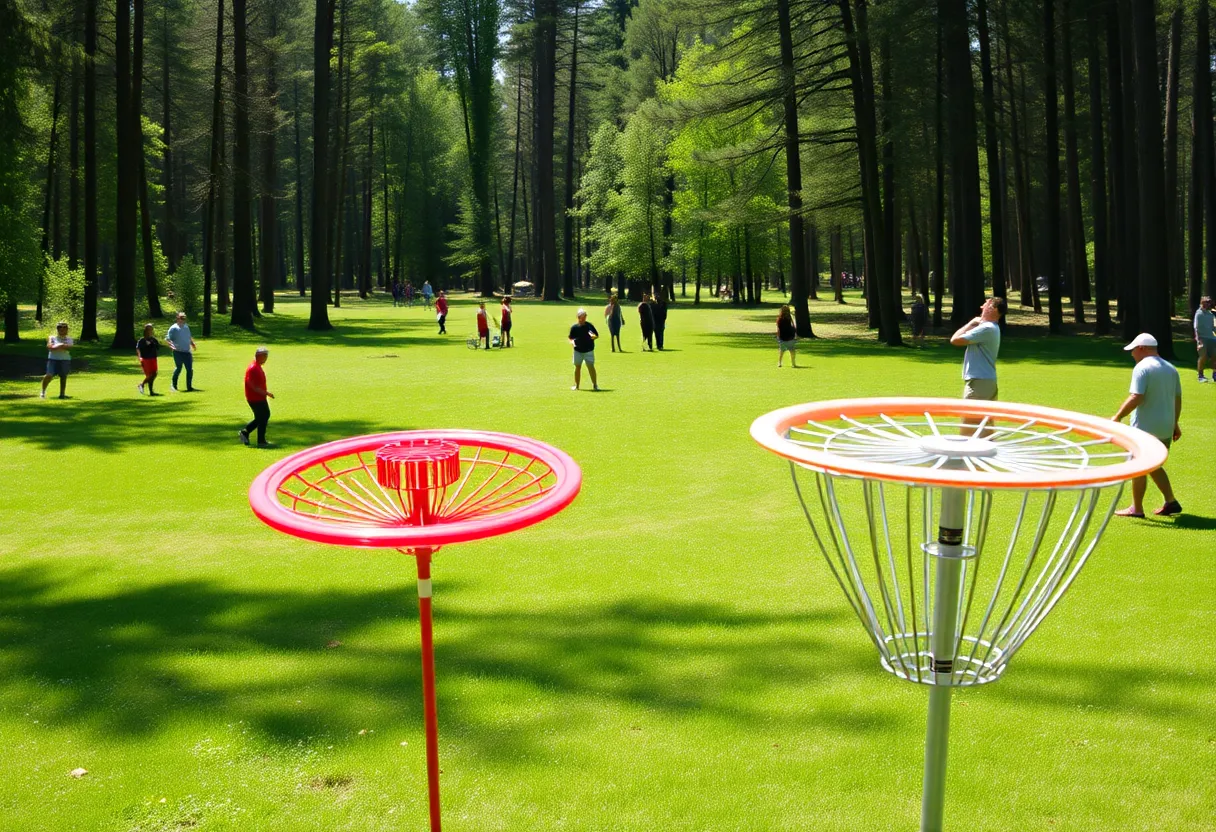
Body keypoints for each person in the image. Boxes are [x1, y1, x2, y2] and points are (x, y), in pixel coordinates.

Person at [1113, 333, 1182, 517]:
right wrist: (1174, 423)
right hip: (1165, 426)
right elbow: (1177, 399)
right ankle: (1171, 501)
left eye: (1133, 350)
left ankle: (1137, 508)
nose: (1132, 354)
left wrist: (1117, 416)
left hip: (1144, 427)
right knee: (1154, 465)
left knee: (1139, 465)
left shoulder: (1142, 367)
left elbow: (1136, 396)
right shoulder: (1171, 369)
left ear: (1142, 348)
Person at [950, 296, 1005, 401]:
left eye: (985, 305)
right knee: (985, 413)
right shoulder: (992, 327)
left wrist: (971, 323)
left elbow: (955, 340)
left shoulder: (986, 328)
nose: (981, 307)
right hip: (986, 381)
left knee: (969, 412)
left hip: (979, 383)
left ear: (992, 308)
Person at [239, 347, 275, 447]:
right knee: (263, 416)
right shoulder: (253, 368)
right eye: (265, 356)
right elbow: (252, 386)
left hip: (259, 397)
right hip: (255, 398)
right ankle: (258, 439)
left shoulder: (257, 366)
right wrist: (266, 393)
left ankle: (251, 435)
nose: (266, 358)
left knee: (263, 416)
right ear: (259, 356)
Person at [40, 321, 73, 399]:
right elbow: (50, 347)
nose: (62, 329)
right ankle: (43, 392)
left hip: (65, 359)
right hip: (53, 359)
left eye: (64, 328)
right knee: (49, 375)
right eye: (60, 328)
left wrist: (57, 346)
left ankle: (62, 394)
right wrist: (61, 345)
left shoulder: (69, 339)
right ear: (57, 329)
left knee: (63, 376)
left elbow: (68, 347)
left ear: (67, 329)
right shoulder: (52, 337)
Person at [569, 308, 600, 391]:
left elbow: (595, 336)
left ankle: (595, 385)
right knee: (577, 367)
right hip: (578, 350)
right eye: (582, 316)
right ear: (578, 317)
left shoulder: (589, 326)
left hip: (588, 350)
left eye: (585, 316)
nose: (584, 318)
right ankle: (577, 386)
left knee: (591, 367)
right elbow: (571, 338)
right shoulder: (574, 327)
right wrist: (573, 343)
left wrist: (591, 336)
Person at [166, 311, 197, 392]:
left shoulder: (186, 327)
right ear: (178, 318)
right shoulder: (173, 328)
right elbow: (168, 339)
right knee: (178, 368)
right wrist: (171, 346)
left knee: (190, 369)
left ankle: (189, 387)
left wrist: (192, 344)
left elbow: (189, 337)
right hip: (178, 352)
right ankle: (173, 385)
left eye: (184, 318)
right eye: (181, 318)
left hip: (187, 352)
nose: (183, 320)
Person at [135, 323, 161, 395]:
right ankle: (143, 386)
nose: (150, 331)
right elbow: (138, 349)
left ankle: (148, 390)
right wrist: (140, 357)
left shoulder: (154, 339)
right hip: (146, 359)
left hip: (153, 358)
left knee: (154, 374)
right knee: (150, 375)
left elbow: (158, 347)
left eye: (151, 329)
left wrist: (152, 344)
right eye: (148, 329)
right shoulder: (142, 340)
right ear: (145, 330)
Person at [1194, 296, 1215, 382]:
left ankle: (1215, 375)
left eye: (1209, 302)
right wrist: (1199, 341)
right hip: (1202, 338)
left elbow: (1213, 328)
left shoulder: (1210, 315)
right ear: (1202, 303)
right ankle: (1200, 376)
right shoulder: (1198, 313)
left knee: (1215, 356)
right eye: (1207, 302)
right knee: (1203, 356)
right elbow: (1196, 328)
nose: (1208, 304)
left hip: (1212, 338)